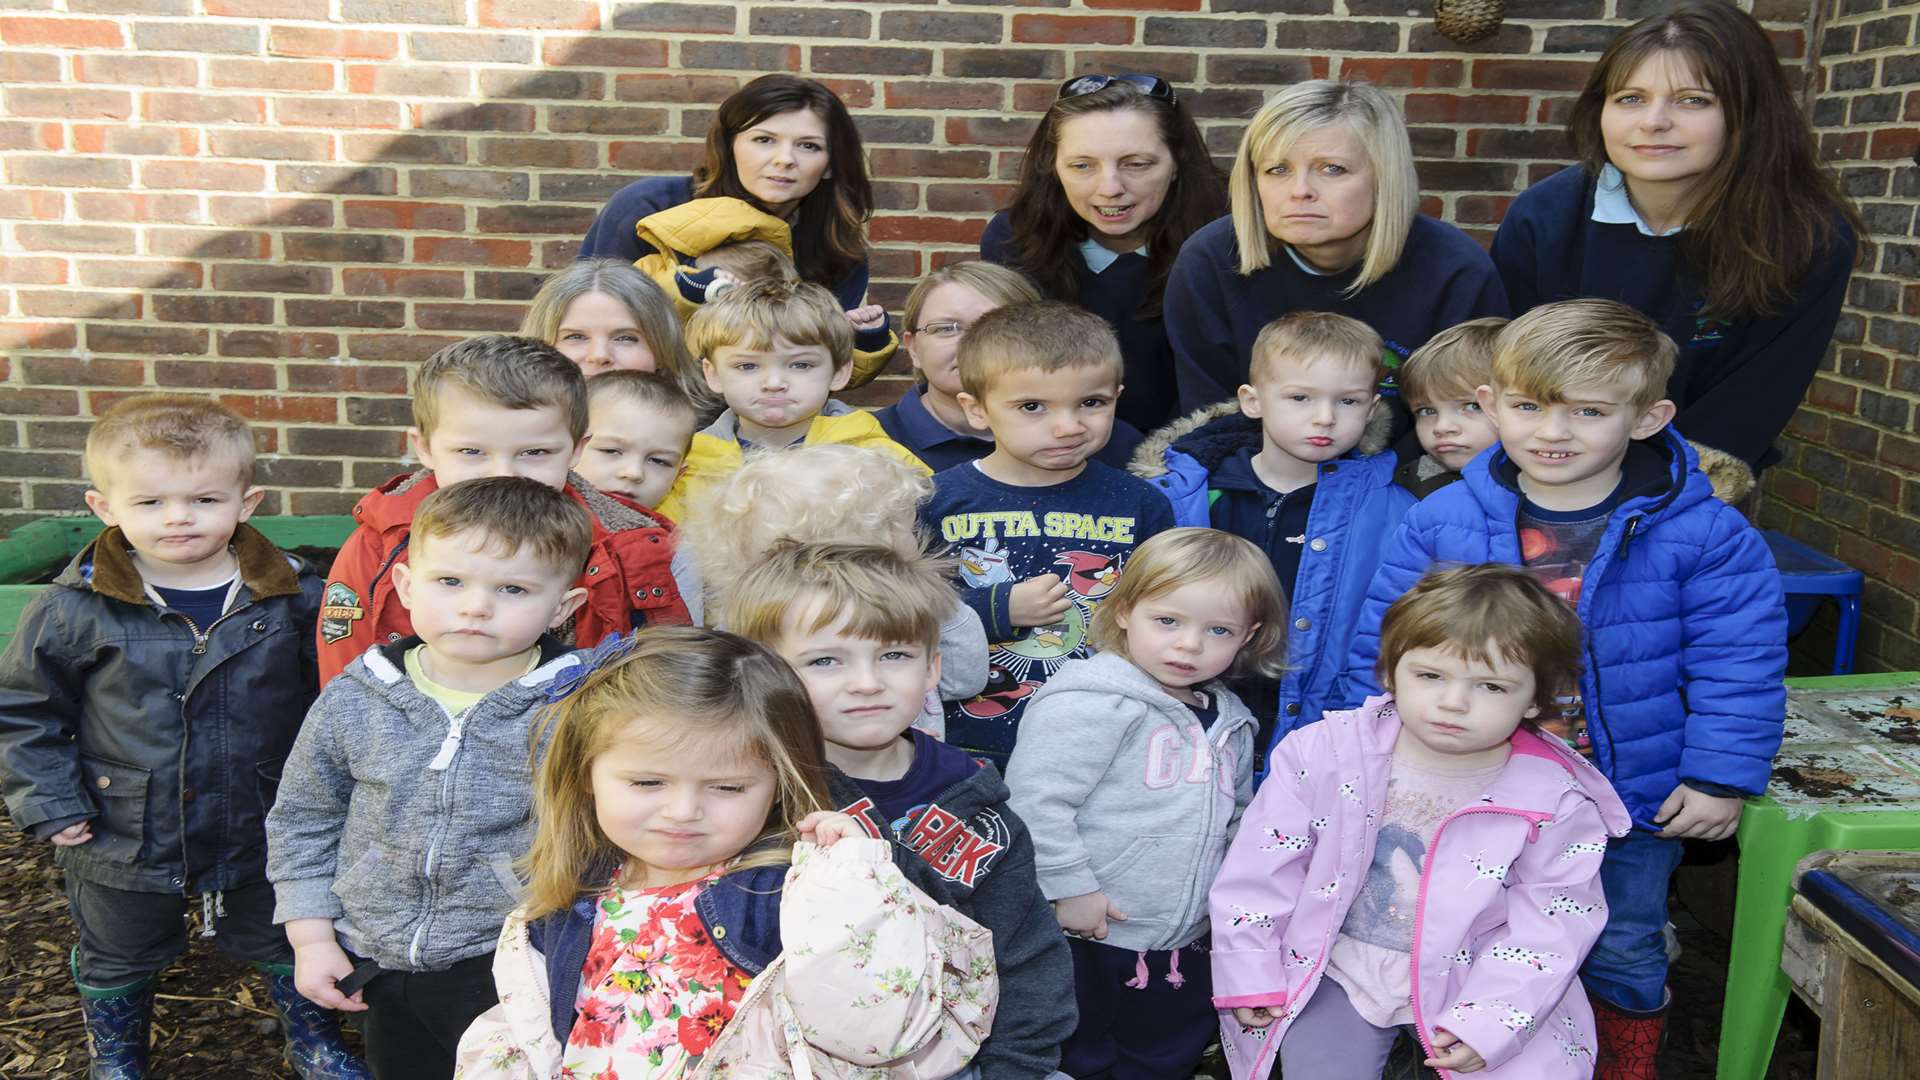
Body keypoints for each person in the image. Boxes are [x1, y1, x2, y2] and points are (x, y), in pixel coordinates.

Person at [1344, 300, 1787, 1078]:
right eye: (1527, 408)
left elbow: (1739, 658)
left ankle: (1623, 1063)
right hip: (1470, 785)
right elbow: (1385, 637)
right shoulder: (1444, 519)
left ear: (1647, 418)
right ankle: (1470, 1053)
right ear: (1492, 405)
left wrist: (1719, 775)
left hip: (1625, 795)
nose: (1552, 433)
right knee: (1467, 929)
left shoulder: (1702, 532)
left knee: (1622, 940)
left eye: (1587, 412)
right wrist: (1358, 751)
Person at [0, 396, 362, 1079]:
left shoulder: (293, 598)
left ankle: (314, 1039)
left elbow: (336, 697)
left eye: (203, 498)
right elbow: (25, 709)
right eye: (149, 502)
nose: (177, 518)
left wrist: (339, 795)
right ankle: (118, 1055)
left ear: (245, 501)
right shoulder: (73, 607)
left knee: (287, 927)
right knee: (120, 943)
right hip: (122, 822)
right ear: (104, 506)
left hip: (264, 814)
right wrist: (50, 799)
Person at [451, 626, 998, 1078]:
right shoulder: (574, 898)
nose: (683, 811)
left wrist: (854, 884)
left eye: (728, 788)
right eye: (647, 783)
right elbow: (525, 1033)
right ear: (585, 775)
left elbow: (876, 1033)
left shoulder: (793, 890)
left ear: (780, 784)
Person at [1211, 564, 1630, 1080]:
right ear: (1390, 672)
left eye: (1492, 686)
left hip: (1477, 977)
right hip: (1337, 967)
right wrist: (1251, 971)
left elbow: (1554, 921)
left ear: (1539, 700)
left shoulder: (1554, 800)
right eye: (1430, 676)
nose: (1453, 701)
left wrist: (1493, 1022)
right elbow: (1260, 869)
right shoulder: (1325, 754)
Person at [267, 477, 594, 1078]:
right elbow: (304, 817)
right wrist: (311, 937)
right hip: (377, 949)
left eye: (513, 589)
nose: (475, 606)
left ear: (564, 608)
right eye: (450, 582)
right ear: (405, 586)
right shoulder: (357, 698)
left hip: (514, 959)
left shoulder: (579, 707)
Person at [724, 542, 1076, 1080]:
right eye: (825, 660)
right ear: (767, 677)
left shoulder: (977, 801)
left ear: (933, 667)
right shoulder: (757, 794)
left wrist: (1016, 1067)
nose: (867, 682)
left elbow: (1027, 952)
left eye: (894, 655)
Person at [1491, 0, 1859, 497]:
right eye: (1630, 98)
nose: (1654, 122)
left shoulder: (1807, 237)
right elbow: (1506, 367)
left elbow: (1755, 396)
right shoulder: (1544, 216)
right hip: (1539, 474)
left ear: (1748, 114)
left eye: (1693, 100)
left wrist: (1661, 501)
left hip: (1694, 491)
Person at [1005, 527, 1286, 1080]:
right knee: (1072, 1052)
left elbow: (1239, 824)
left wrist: (1228, 912)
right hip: (1089, 928)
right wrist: (1072, 888)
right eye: (1168, 621)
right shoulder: (1093, 701)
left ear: (1248, 636)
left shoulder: (1232, 720)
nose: (1188, 645)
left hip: (1182, 942)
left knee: (1162, 1054)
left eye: (1218, 630)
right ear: (1127, 610)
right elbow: (1037, 803)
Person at [315, 335, 689, 686]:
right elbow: (346, 683)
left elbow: (659, 681)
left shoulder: (630, 548)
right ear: (424, 447)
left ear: (577, 449)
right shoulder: (379, 543)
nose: (503, 474)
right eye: (472, 452)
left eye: (534, 453)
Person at [1132, 313, 1411, 768]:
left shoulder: (1391, 511)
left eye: (1348, 401)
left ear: (1372, 408)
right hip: (1179, 730)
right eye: (1300, 397)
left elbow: (1391, 629)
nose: (1325, 417)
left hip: (1318, 736)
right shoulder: (1184, 496)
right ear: (1253, 400)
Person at [919, 300, 1177, 768]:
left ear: (1118, 395)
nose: (1068, 426)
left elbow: (1166, 611)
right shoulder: (936, 502)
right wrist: (997, 609)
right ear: (976, 409)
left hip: (1102, 739)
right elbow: (899, 614)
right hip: (966, 739)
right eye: (1032, 406)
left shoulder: (1141, 504)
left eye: (1092, 403)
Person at [1164, 79, 1507, 415]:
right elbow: (1208, 418)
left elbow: (1474, 424)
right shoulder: (1211, 261)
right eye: (1277, 169)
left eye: (1332, 169)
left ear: (1384, 179)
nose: (1300, 190)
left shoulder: (1457, 272)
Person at [579, 74, 895, 388]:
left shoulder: (837, 250)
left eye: (808, 146)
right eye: (764, 140)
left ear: (829, 164)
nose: (784, 159)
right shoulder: (649, 207)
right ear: (730, 146)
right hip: (638, 399)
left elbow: (822, 366)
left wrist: (863, 341)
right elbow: (584, 319)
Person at [678, 443, 989, 729]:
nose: (917, 538)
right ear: (869, 545)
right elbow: (963, 677)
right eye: (905, 527)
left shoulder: (745, 619)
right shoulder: (754, 623)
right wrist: (942, 605)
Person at [982, 73, 1227, 432]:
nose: (1110, 188)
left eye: (1136, 164)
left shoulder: (1225, 241)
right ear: (1053, 166)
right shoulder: (1013, 240)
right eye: (1083, 166)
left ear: (1177, 162)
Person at [652, 277, 927, 524]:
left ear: (840, 372)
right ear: (713, 375)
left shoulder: (876, 455)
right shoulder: (690, 462)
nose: (773, 383)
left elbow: (930, 520)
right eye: (747, 366)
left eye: (800, 365)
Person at [877, 260, 1146, 473]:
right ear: (913, 347)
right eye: (947, 328)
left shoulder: (1110, 442)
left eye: (995, 325)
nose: (970, 342)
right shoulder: (871, 440)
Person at [627, 195, 899, 384]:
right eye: (724, 297)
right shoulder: (662, 281)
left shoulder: (777, 322)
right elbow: (636, 305)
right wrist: (688, 291)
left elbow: (828, 369)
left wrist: (865, 342)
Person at [518, 258, 701, 398]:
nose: (599, 355)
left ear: (663, 350)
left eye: (625, 338)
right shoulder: (499, 438)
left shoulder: (710, 443)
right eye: (575, 336)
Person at [1393, 317, 1507, 499]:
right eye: (1426, 411)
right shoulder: (1403, 491)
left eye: (1471, 406)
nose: (1441, 427)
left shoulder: (1547, 491)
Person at [574, 369, 699, 513]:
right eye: (611, 451)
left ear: (678, 477)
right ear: (570, 449)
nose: (634, 472)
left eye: (659, 461)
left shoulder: (673, 533)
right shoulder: (544, 523)